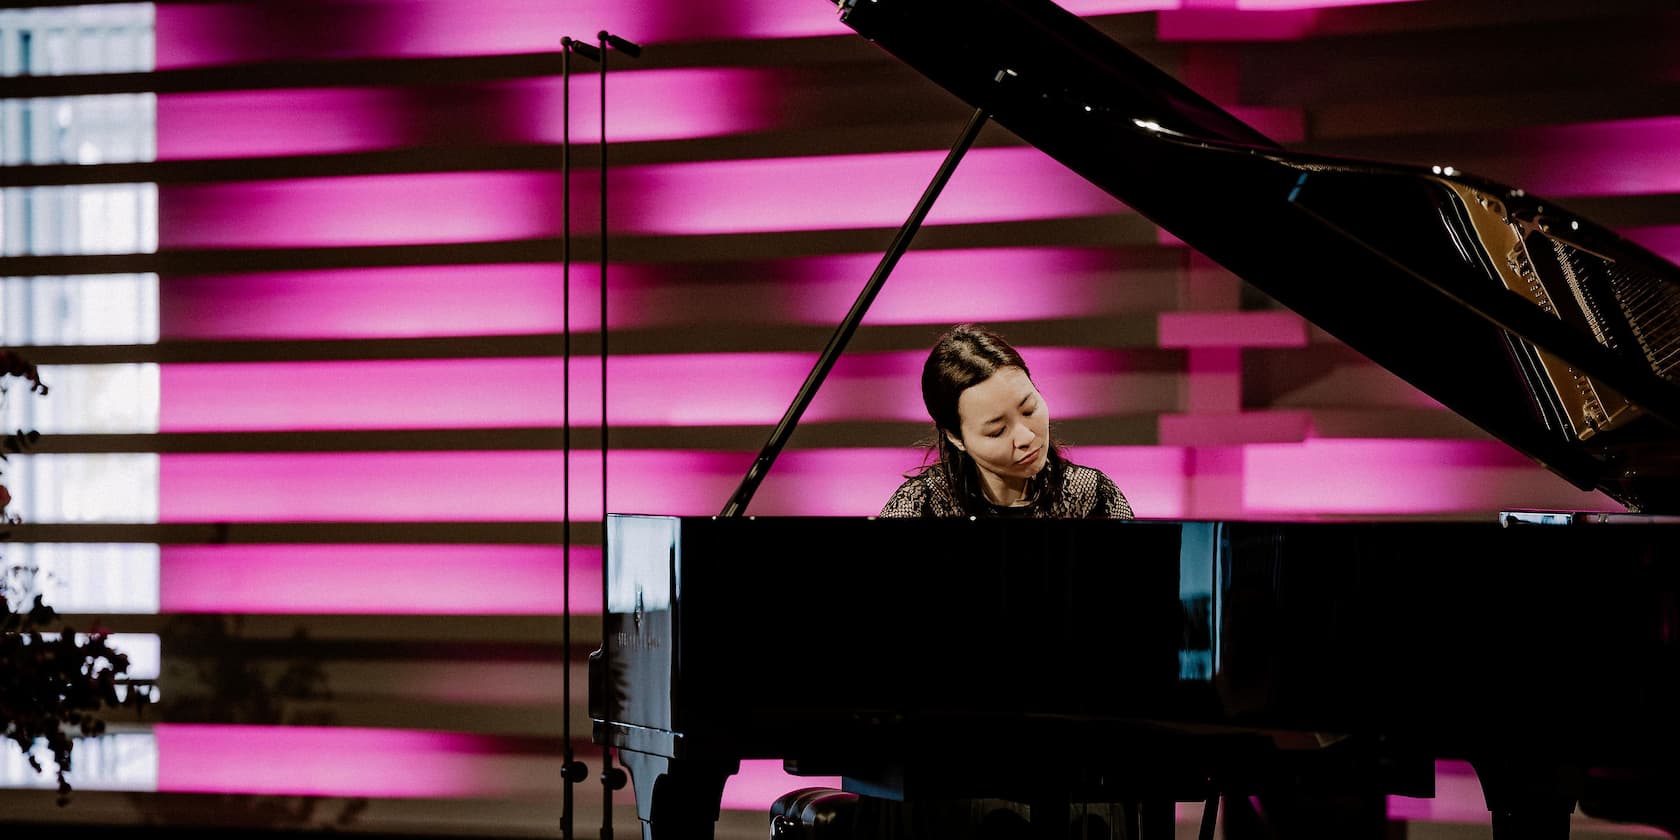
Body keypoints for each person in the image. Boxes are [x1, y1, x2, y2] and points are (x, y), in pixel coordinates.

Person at [880, 323, 1133, 519]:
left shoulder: (1089, 496)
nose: (1026, 438)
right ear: (956, 437)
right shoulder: (919, 508)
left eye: (1029, 409)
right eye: (997, 431)